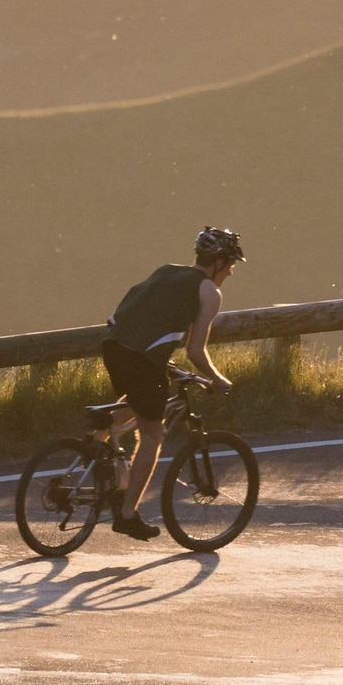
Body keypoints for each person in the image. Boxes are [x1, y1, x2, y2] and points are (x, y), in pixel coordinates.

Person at [101, 225, 242, 539]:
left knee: (137, 402)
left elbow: (127, 318)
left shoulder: (166, 271)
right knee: (153, 434)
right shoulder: (209, 291)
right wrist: (217, 380)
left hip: (113, 346)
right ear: (218, 261)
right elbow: (195, 350)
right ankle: (127, 514)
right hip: (141, 358)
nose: (231, 271)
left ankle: (94, 439)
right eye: (230, 263)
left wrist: (161, 359)